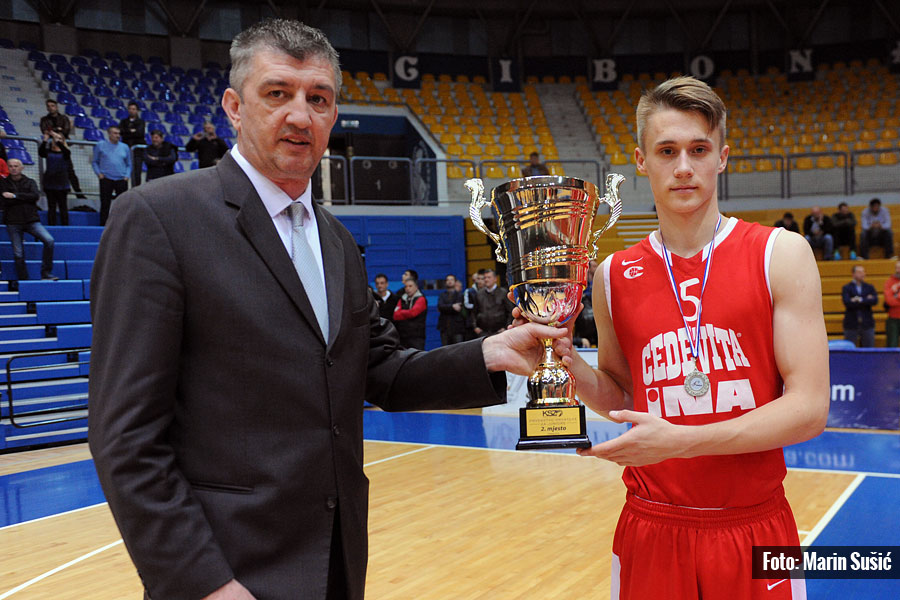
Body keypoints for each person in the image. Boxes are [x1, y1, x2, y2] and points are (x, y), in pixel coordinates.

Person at [87, 19, 569, 600]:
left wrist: (491, 352)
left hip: (335, 562)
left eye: (318, 99)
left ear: (333, 116)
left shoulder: (335, 240)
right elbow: (125, 436)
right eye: (278, 93)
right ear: (235, 107)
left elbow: (380, 370)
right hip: (228, 570)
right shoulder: (159, 218)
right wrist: (203, 583)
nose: (300, 115)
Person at [560, 76, 828, 599]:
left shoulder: (780, 253)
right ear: (641, 161)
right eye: (667, 151)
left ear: (721, 158)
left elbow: (810, 409)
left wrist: (681, 443)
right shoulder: (612, 275)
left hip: (754, 525)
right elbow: (622, 395)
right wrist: (567, 365)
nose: (683, 167)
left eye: (698, 149)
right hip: (652, 526)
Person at [0, 159, 59, 280]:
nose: (13, 168)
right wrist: (24, 198)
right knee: (18, 253)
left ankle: (46, 273)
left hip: (31, 220)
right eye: (11, 166)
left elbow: (35, 196)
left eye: (16, 166)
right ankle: (23, 280)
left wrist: (14, 196)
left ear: (22, 168)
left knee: (49, 240)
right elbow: (4, 200)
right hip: (12, 221)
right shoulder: (3, 183)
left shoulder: (30, 181)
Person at [39, 98, 85, 198]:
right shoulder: (44, 119)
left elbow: (66, 131)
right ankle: (51, 191)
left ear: (56, 107)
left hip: (63, 147)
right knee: (52, 169)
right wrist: (58, 130)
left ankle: (78, 192)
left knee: (70, 170)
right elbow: (44, 130)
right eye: (48, 106)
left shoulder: (64, 118)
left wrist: (53, 132)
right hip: (51, 147)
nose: (50, 108)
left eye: (52, 106)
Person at [91, 125, 131, 226]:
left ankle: (122, 225)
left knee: (123, 205)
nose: (118, 135)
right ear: (109, 134)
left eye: (119, 133)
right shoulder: (100, 145)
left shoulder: (125, 147)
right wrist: (99, 174)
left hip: (121, 179)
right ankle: (103, 226)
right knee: (105, 204)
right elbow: (95, 161)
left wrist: (127, 176)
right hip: (106, 178)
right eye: (115, 133)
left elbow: (129, 164)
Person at [38, 131, 71, 225]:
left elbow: (66, 152)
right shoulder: (48, 151)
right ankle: (52, 226)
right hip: (50, 182)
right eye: (56, 138)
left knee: (63, 207)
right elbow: (41, 153)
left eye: (60, 139)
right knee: (51, 207)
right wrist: (45, 140)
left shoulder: (66, 152)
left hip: (62, 183)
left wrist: (58, 142)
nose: (57, 140)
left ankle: (65, 227)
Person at [841, 265, 878, 347]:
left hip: (867, 323)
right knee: (849, 349)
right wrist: (866, 299)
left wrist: (859, 299)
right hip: (851, 323)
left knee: (869, 349)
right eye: (859, 272)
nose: (863, 274)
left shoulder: (869, 287)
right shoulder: (847, 288)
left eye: (863, 272)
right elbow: (847, 302)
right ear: (853, 274)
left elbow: (875, 300)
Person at [474, 268, 514, 336]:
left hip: (500, 331)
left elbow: (510, 311)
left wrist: (506, 327)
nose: (486, 280)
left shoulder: (503, 292)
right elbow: (474, 312)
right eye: (485, 278)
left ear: (495, 279)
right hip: (483, 332)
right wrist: (475, 327)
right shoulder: (479, 294)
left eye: (489, 277)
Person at [393, 275, 428, 349]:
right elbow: (395, 316)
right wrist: (407, 312)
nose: (408, 288)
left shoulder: (421, 299)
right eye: (406, 287)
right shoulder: (402, 299)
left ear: (416, 287)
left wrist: (401, 312)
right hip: (403, 336)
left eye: (410, 286)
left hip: (416, 337)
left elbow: (413, 313)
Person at [119, 101, 146, 187]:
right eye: (130, 109)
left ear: (137, 110)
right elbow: (121, 132)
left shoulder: (141, 122)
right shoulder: (123, 122)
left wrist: (128, 132)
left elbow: (140, 134)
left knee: (137, 172)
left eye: (133, 109)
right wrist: (132, 131)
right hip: (125, 150)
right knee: (123, 171)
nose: (131, 111)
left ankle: (136, 190)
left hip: (137, 152)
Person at [437, 274, 466, 346]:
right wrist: (452, 306)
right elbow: (440, 306)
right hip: (444, 326)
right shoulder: (442, 295)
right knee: (445, 349)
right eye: (448, 280)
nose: (449, 281)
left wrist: (446, 307)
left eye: (451, 280)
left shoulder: (460, 295)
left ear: (455, 282)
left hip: (457, 328)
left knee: (458, 349)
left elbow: (458, 308)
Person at [462, 270, 484, 341]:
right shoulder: (469, 291)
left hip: (485, 323)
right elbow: (466, 305)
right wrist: (478, 306)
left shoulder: (487, 291)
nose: (479, 281)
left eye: (481, 279)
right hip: (471, 323)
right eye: (478, 279)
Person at [885, 260, 900, 348]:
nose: (898, 270)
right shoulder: (889, 282)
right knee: (892, 344)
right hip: (893, 318)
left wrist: (896, 295)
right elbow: (889, 301)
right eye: (897, 268)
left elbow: (893, 299)